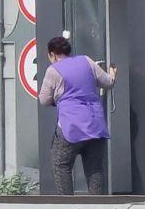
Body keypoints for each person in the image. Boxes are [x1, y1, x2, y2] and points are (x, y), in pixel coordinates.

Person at [38, 36, 116, 195]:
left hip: (70, 126)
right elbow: (108, 82)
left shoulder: (53, 70)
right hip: (95, 125)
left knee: (61, 165)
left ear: (52, 54)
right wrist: (112, 73)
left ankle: (68, 207)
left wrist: (58, 100)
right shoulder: (87, 61)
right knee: (94, 169)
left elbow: (44, 100)